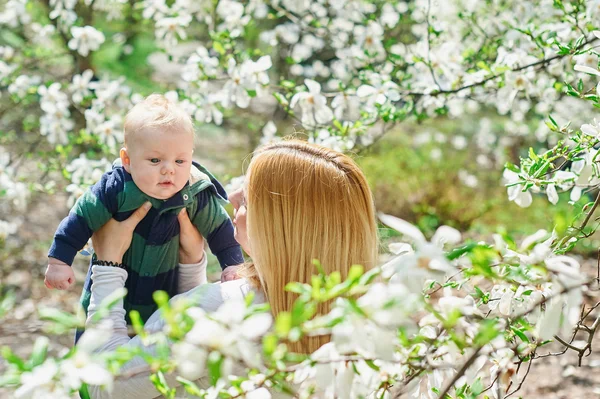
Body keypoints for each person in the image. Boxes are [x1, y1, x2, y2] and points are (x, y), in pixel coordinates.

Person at [85, 140, 379, 398]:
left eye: (249, 200)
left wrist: (108, 264)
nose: (233, 196)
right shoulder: (373, 326)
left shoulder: (215, 311)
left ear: (277, 231)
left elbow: (104, 386)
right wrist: (191, 265)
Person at [46, 94, 244, 341]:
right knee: (95, 344)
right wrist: (59, 260)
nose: (169, 169)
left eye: (180, 160)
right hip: (116, 289)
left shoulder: (193, 192)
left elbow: (220, 230)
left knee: (153, 351)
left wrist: (233, 264)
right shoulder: (116, 188)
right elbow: (81, 217)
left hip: (163, 297)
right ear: (127, 160)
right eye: (155, 160)